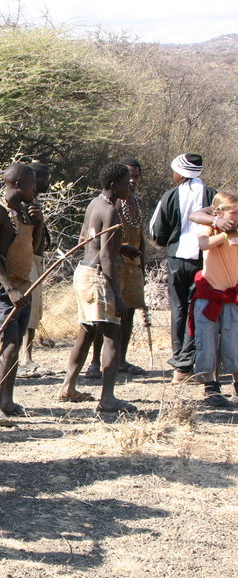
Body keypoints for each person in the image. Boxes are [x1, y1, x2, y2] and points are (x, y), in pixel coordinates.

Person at [57, 163, 137, 414]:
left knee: (87, 331)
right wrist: (118, 295)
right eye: (126, 182)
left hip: (83, 271)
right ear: (114, 185)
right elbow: (106, 259)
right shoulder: (111, 211)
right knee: (113, 335)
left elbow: (87, 240)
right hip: (98, 276)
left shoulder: (95, 204)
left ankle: (68, 387)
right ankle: (108, 398)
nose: (129, 186)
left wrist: (121, 248)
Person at [0, 163, 44, 426]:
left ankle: (7, 401)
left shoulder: (24, 211)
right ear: (19, 185)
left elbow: (37, 248)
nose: (36, 189)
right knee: (7, 344)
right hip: (2, 289)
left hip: (24, 286)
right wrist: (9, 289)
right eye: (32, 185)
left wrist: (38, 222)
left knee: (16, 343)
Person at [149, 153, 217, 383]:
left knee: (178, 309)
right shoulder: (212, 196)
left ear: (181, 173)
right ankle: (195, 360)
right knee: (198, 309)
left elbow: (156, 231)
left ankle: (180, 359)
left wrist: (171, 242)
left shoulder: (170, 196)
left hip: (177, 259)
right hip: (203, 260)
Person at [86, 157, 148, 378]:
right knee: (105, 316)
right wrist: (122, 249)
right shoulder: (109, 203)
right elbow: (98, 241)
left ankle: (121, 360)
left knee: (128, 312)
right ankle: (95, 363)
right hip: (113, 263)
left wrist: (143, 262)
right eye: (128, 176)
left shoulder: (137, 203)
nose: (132, 181)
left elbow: (140, 236)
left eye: (136, 176)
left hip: (133, 264)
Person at [188, 192, 238, 407]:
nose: (236, 217)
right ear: (219, 213)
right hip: (209, 294)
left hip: (233, 296)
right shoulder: (210, 227)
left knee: (233, 343)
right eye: (233, 213)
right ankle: (211, 387)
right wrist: (225, 232)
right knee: (206, 343)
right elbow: (203, 244)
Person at [18, 162, 53, 377]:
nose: (47, 183)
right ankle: (25, 358)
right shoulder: (24, 205)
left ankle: (27, 357)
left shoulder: (33, 202)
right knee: (28, 309)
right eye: (43, 179)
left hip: (35, 259)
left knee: (34, 310)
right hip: (27, 260)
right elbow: (32, 240)